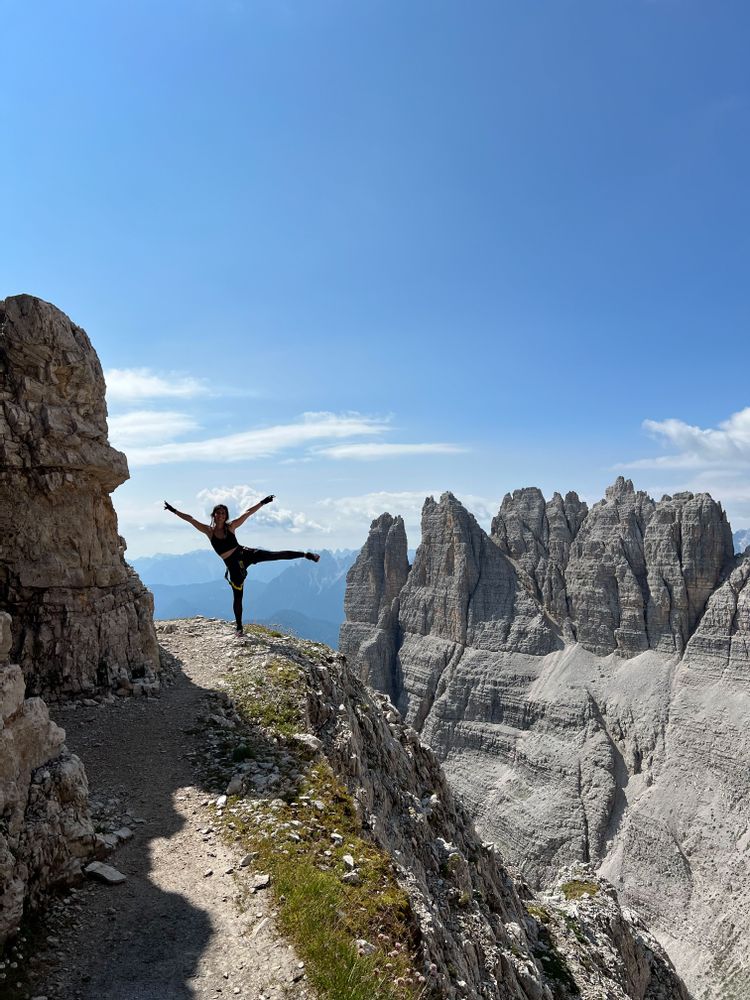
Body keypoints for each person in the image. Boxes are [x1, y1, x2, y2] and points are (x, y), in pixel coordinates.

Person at [163, 495, 319, 635]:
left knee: (273, 555)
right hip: (234, 567)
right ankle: (239, 627)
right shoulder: (208, 531)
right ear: (214, 515)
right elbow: (190, 519)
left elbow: (247, 513)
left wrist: (262, 502)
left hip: (245, 554)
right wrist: (173, 510)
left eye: (223, 513)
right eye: (218, 513)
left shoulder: (231, 527)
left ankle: (306, 555)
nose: (221, 515)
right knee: (238, 597)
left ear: (226, 516)